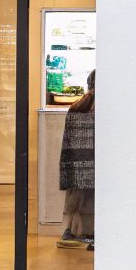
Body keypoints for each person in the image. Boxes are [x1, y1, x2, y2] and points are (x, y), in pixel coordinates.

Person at [56, 70, 95, 250]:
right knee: (93, 198)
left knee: (76, 198)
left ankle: (70, 233)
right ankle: (91, 236)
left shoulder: (77, 106)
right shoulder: (105, 109)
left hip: (75, 167)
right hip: (95, 166)